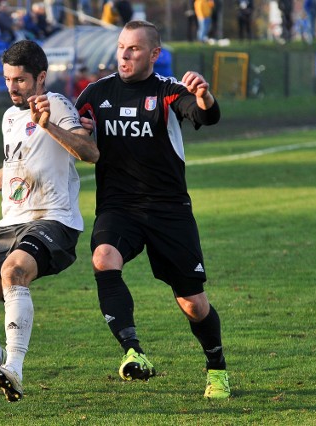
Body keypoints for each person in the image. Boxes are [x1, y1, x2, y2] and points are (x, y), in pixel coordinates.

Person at [74, 20, 230, 399]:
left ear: (154, 54)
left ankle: (217, 370)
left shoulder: (168, 91)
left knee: (193, 303)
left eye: (135, 49)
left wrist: (205, 95)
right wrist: (75, 129)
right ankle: (133, 351)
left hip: (169, 209)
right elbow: (74, 131)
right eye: (122, 47)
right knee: (103, 258)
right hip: (118, 206)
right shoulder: (97, 93)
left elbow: (205, 116)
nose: (125, 55)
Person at [0, 40, 99, 402]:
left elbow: (89, 152)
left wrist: (49, 125)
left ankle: (15, 369)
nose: (12, 87)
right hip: (10, 224)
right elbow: (12, 171)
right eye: (7, 79)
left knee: (14, 271)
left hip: (54, 220)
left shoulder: (58, 105)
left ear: (41, 77)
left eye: (20, 80)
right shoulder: (9, 117)